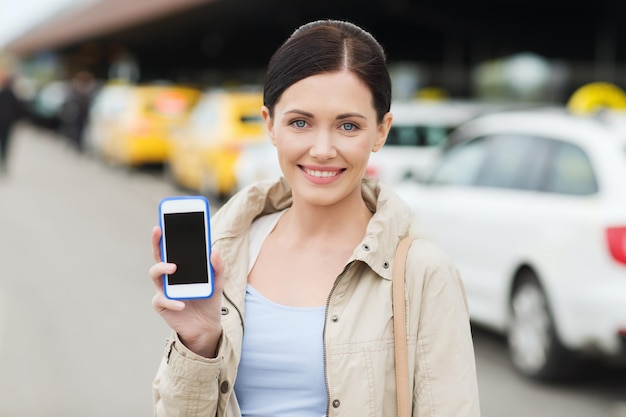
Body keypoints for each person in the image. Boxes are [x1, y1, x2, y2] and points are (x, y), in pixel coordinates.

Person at [149, 19, 481, 417]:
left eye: (348, 125)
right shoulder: (225, 252)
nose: (322, 149)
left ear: (381, 131)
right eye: (300, 123)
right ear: (270, 124)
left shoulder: (423, 273)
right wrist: (199, 344)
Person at [0, 64, 25, 174]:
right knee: (5, 143)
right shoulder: (14, 95)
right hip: (8, 123)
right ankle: (4, 162)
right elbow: (19, 110)